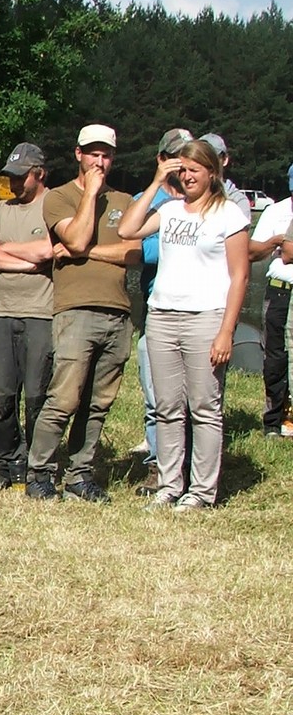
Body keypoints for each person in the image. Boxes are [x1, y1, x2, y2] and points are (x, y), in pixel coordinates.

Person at [117, 138, 249, 509]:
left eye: (195, 170)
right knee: (167, 407)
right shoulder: (170, 210)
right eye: (183, 169)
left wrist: (226, 331)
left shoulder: (229, 214)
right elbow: (127, 229)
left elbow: (240, 276)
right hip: (162, 315)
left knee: (204, 408)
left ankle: (202, 491)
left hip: (205, 317)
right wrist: (157, 181)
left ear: (212, 172)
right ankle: (169, 484)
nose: (188, 176)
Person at [25, 123, 139, 503]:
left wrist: (87, 253)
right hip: (75, 311)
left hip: (118, 312)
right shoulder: (59, 197)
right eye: (93, 154)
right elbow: (73, 238)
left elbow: (134, 252)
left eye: (106, 155)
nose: (99, 162)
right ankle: (39, 474)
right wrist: (90, 192)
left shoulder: (124, 201)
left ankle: (79, 476)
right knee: (64, 398)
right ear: (78, 154)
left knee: (98, 403)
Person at [0, 143, 55, 489]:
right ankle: (4, 461)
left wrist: (4, 249)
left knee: (38, 395)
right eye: (11, 176)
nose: (14, 182)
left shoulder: (54, 206)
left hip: (41, 312)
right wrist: (27, 263)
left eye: (21, 176)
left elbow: (49, 250)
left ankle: (37, 463)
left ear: (40, 174)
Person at [133, 127, 191, 493]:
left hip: (199, 310)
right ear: (161, 159)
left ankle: (192, 467)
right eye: (174, 156)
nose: (181, 164)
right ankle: (159, 465)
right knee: (157, 398)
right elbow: (135, 246)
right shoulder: (146, 200)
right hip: (158, 310)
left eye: (187, 156)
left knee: (197, 400)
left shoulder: (203, 199)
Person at [249, 187, 293, 437]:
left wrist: (287, 247)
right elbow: (251, 251)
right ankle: (273, 422)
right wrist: (275, 241)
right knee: (275, 358)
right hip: (280, 291)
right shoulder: (275, 211)